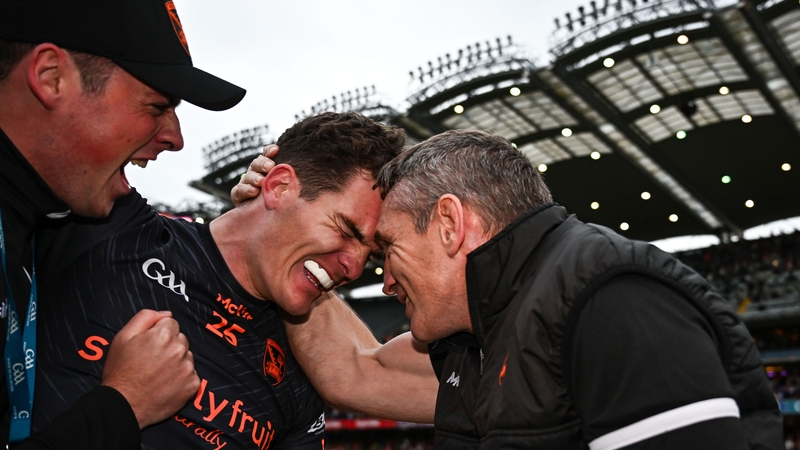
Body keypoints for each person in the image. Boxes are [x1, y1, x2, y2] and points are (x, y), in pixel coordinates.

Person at [239, 129, 782, 449]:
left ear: (450, 225)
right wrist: (274, 234)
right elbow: (352, 369)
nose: (381, 280)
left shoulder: (610, 296)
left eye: (389, 247)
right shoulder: (475, 336)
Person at [33, 112, 437, 449]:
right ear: (279, 185)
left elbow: (362, 370)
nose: (354, 268)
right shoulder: (108, 231)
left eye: (370, 254)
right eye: (346, 230)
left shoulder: (304, 375)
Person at [0, 0, 246, 447]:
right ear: (51, 77)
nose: (175, 137)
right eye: (156, 106)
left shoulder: (41, 216)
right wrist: (126, 402)